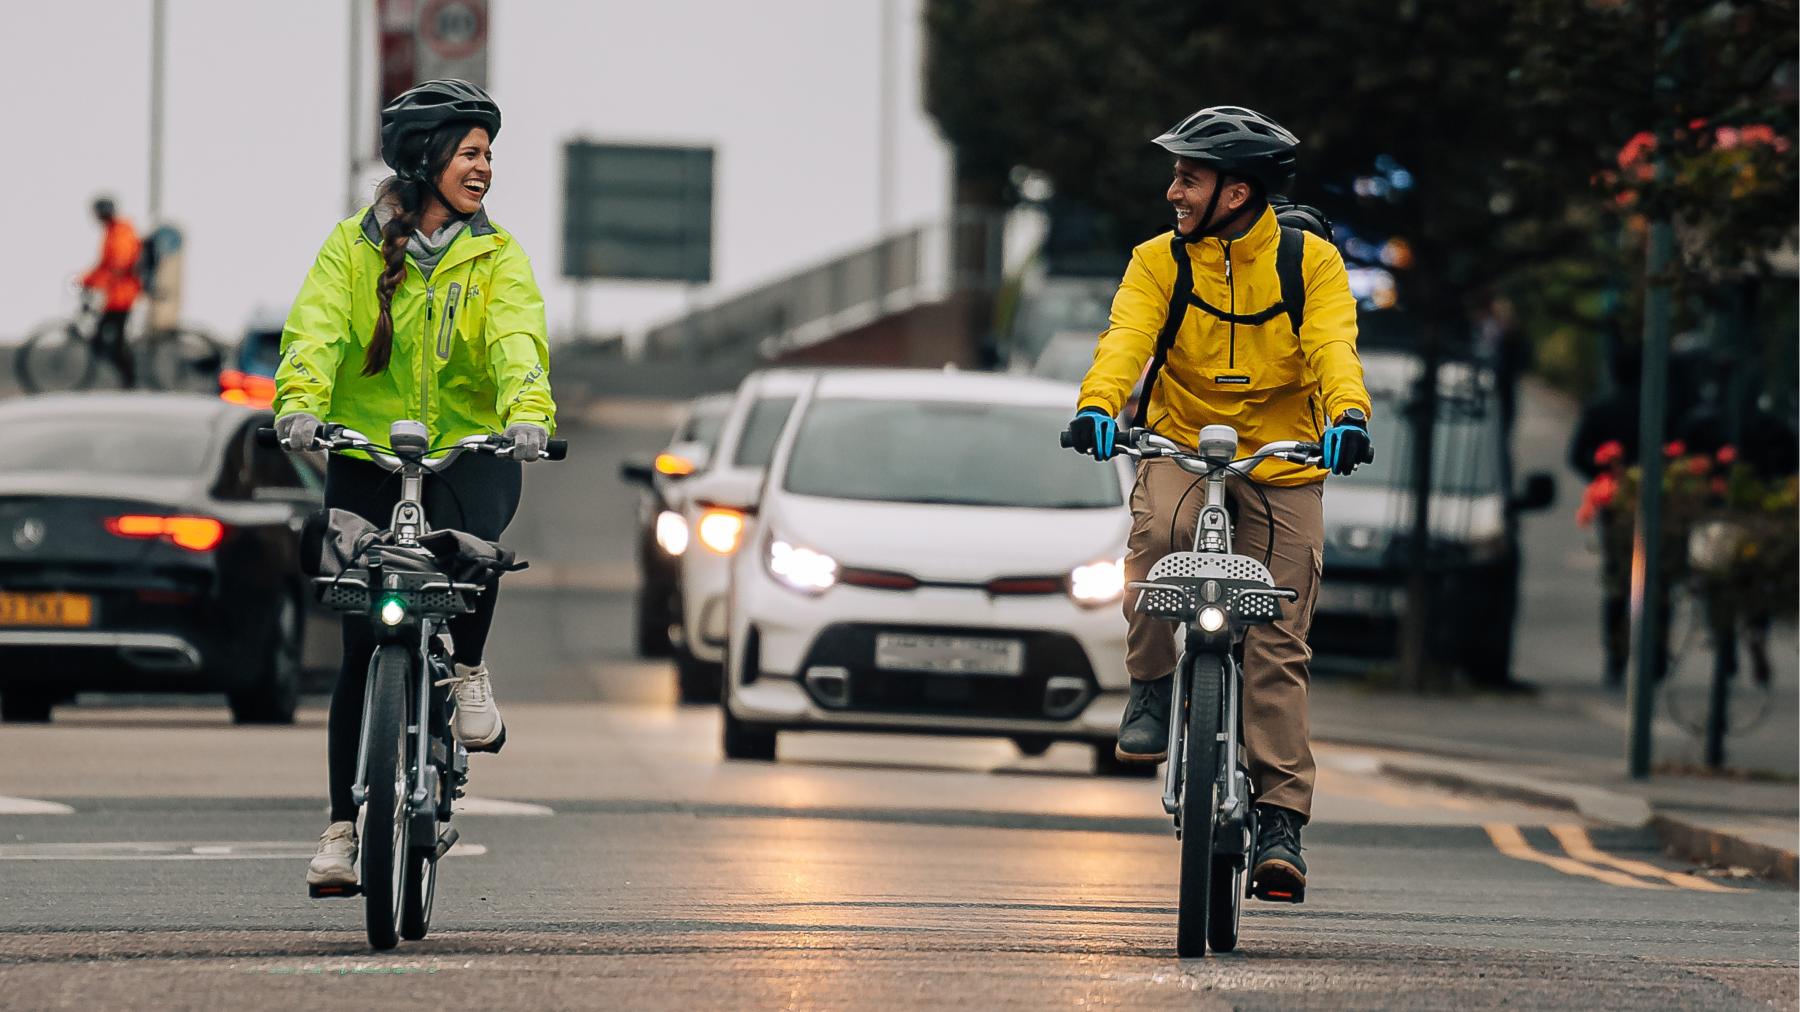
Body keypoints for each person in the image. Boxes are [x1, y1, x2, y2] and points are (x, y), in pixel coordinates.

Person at [1065, 106, 1372, 903]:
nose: (1173, 190)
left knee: (1277, 636)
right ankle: (1152, 683)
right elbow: (1126, 339)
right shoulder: (1156, 262)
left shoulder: (1312, 266)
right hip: (1180, 440)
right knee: (1157, 534)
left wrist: (1348, 419)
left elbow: (1334, 345)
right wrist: (1100, 404)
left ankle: (1279, 823)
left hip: (1282, 458)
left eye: (1188, 177)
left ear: (1237, 192)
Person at [274, 79, 557, 891]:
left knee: (476, 551)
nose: (485, 168)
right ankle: (339, 831)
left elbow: (517, 339)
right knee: (362, 646)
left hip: (471, 449)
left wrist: (527, 414)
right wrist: (300, 405)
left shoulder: (496, 256)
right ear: (426, 157)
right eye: (471, 153)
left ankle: (466, 671)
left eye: (489, 155)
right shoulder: (351, 249)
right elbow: (315, 331)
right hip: (368, 452)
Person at [81, 196, 142, 388]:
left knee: (108, 341)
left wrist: (93, 282)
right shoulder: (113, 231)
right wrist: (87, 280)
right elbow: (105, 266)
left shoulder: (120, 233)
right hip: (116, 296)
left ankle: (129, 378)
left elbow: (117, 266)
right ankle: (128, 378)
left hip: (122, 297)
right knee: (108, 339)